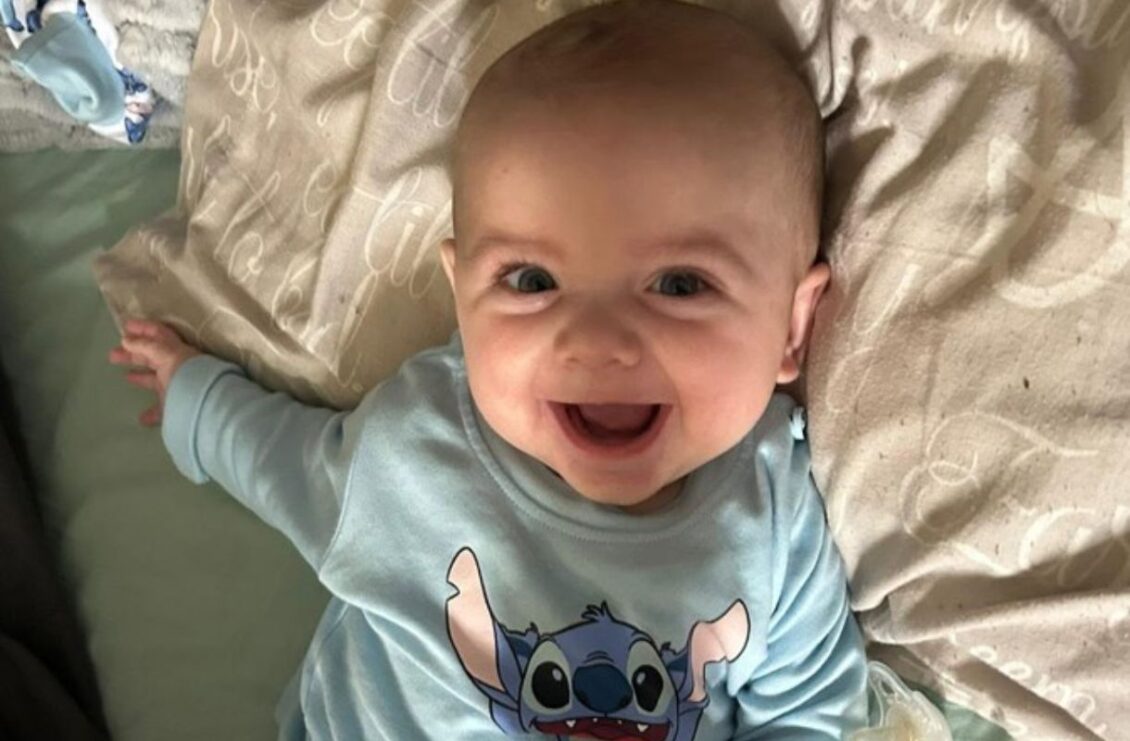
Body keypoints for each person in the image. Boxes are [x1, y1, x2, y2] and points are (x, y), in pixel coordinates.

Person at [108, 1, 868, 738]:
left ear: (792, 326)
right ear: (462, 296)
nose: (595, 342)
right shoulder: (418, 449)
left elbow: (808, 706)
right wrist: (199, 404)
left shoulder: (772, 513)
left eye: (679, 284)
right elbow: (294, 466)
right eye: (532, 281)